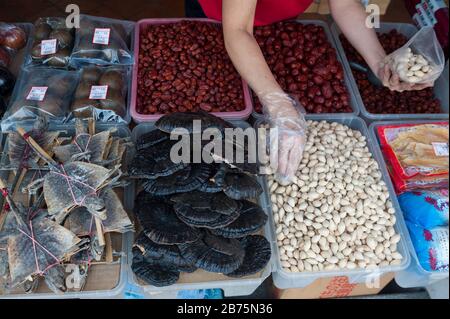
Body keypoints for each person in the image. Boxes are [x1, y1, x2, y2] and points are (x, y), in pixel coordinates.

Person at [185, 0, 434, 184]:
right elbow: (237, 30)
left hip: (276, 14)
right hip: (220, 18)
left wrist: (381, 62)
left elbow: (346, 4)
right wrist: (279, 105)